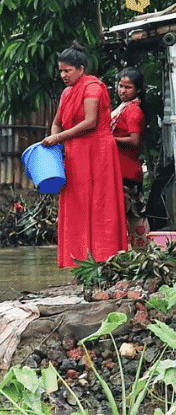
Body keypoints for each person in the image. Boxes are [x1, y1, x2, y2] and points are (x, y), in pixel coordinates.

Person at [41, 43, 127, 268]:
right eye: (60, 70)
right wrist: (55, 142)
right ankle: (80, 261)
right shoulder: (67, 92)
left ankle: (103, 258)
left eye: (67, 70)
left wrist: (58, 139)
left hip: (98, 151)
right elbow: (56, 123)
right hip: (74, 153)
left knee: (100, 203)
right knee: (77, 204)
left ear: (81, 69)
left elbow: (90, 123)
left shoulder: (93, 87)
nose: (63, 75)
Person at [111, 67, 149, 248]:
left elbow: (135, 141)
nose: (122, 91)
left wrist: (109, 139)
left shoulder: (133, 111)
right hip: (122, 170)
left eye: (128, 87)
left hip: (127, 171)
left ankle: (143, 256)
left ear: (138, 90)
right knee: (131, 217)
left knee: (134, 217)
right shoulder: (123, 109)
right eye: (120, 86)